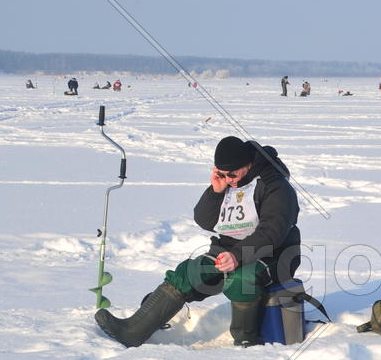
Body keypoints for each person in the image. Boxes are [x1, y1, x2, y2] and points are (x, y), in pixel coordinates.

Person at [94, 136, 301, 348]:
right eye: (222, 173)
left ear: (248, 164)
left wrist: (238, 256)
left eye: (232, 173)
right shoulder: (228, 183)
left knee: (241, 281)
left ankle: (247, 343)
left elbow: (272, 232)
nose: (229, 179)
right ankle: (132, 332)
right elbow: (205, 220)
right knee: (186, 273)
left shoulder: (275, 186)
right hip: (227, 251)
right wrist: (215, 191)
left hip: (274, 255)